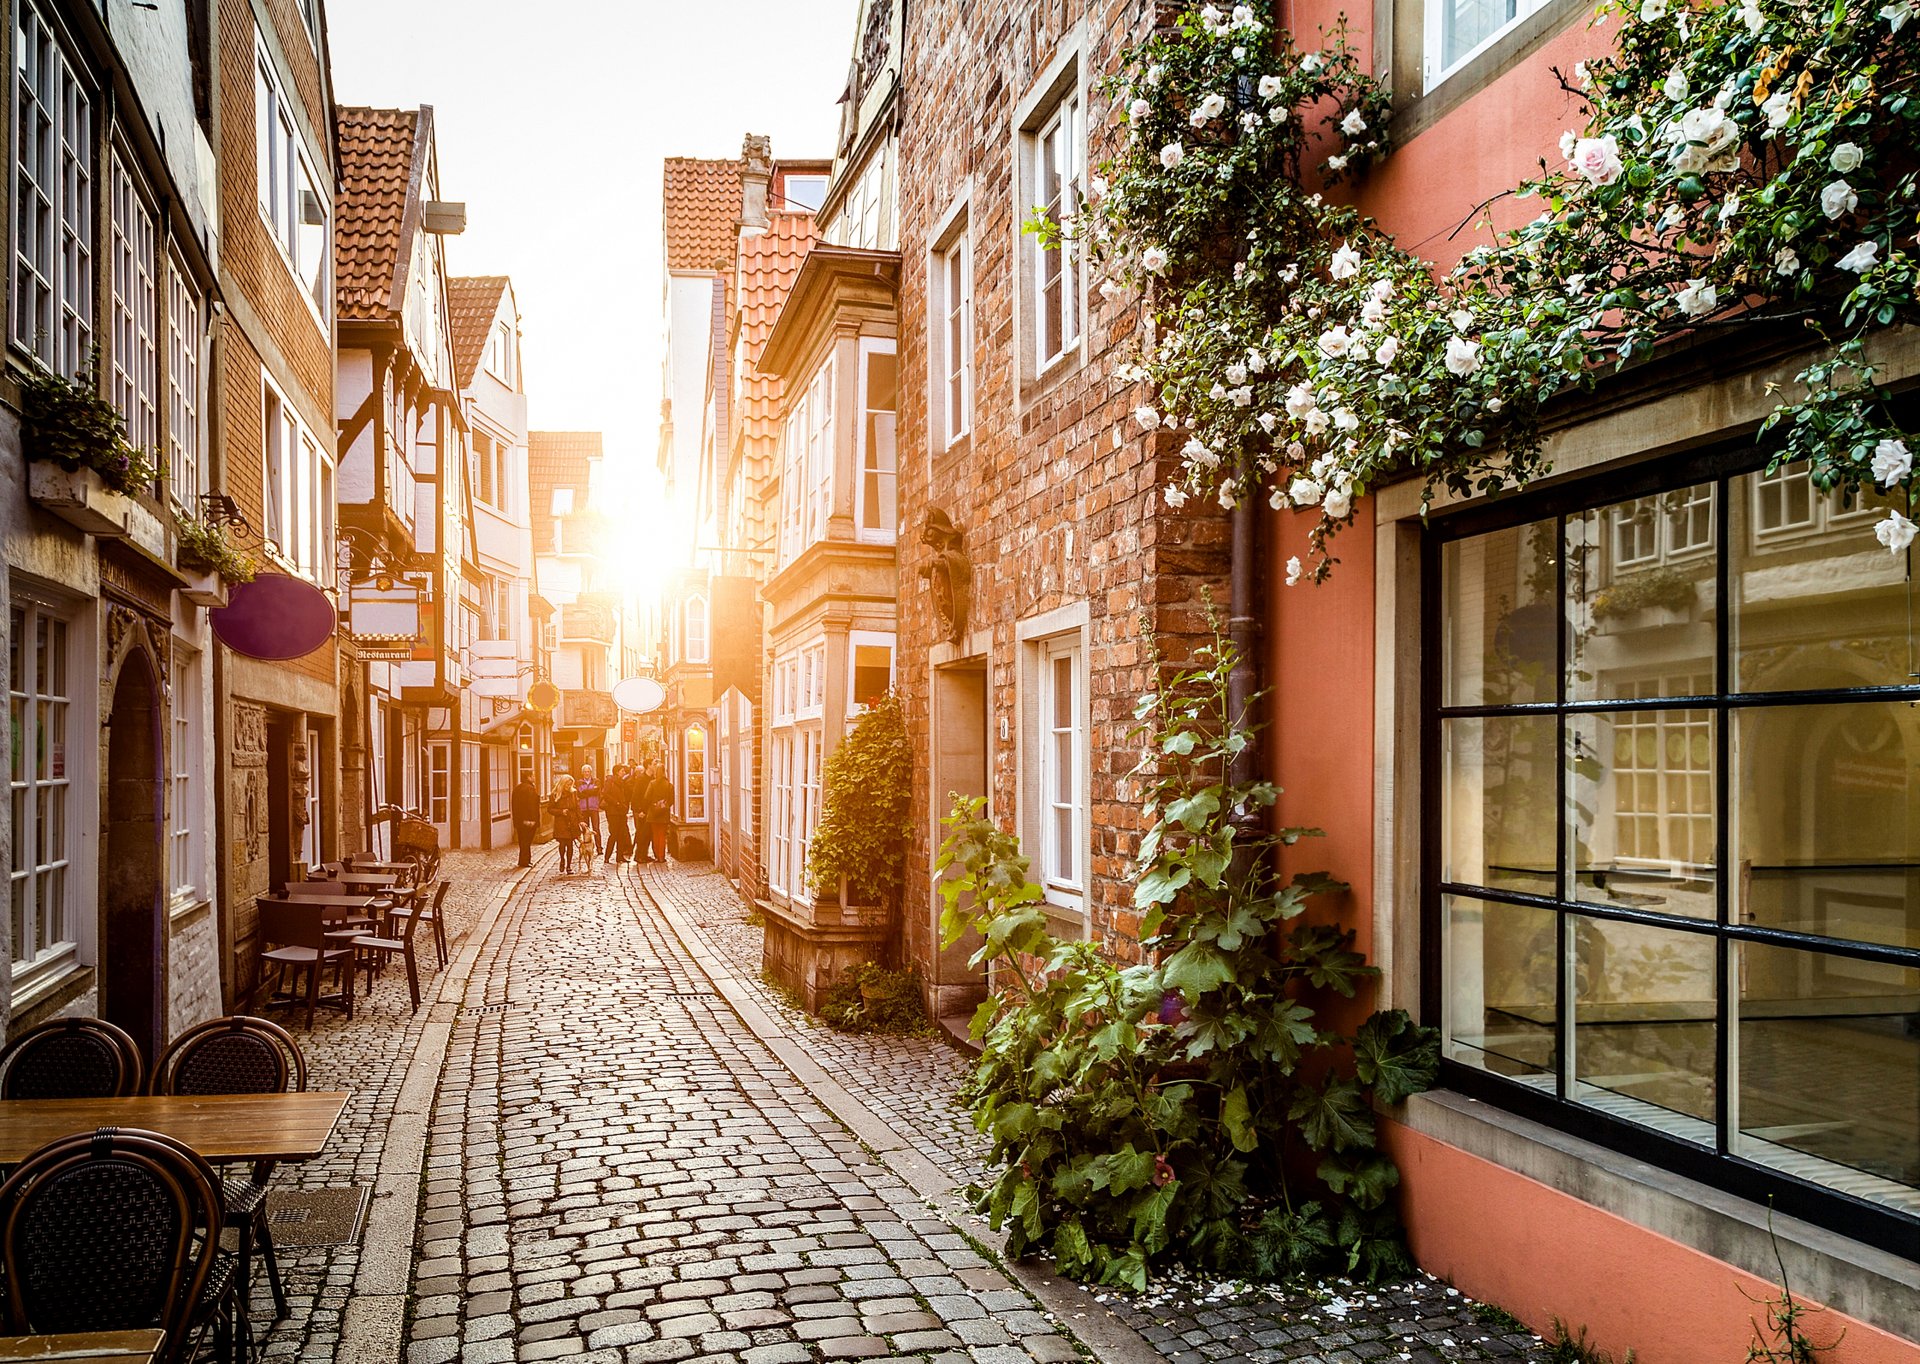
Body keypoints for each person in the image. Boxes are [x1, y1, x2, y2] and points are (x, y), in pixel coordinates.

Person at [641, 763, 675, 866]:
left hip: (653, 813)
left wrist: (652, 805)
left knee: (656, 835)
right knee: (662, 835)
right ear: (664, 772)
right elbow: (671, 800)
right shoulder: (669, 785)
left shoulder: (652, 783)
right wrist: (664, 805)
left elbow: (646, 797)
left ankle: (657, 856)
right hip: (664, 813)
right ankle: (662, 857)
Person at [548, 774, 582, 874]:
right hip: (561, 822)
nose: (569, 787)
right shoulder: (554, 794)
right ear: (563, 784)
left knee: (570, 844)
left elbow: (577, 808)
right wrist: (561, 812)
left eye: (570, 785)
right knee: (562, 844)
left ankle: (569, 866)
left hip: (572, 821)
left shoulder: (573, 793)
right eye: (567, 785)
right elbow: (550, 809)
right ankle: (562, 859)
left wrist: (581, 820)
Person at [602, 763, 633, 866]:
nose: (624, 772)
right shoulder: (610, 781)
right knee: (613, 834)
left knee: (621, 835)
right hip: (612, 812)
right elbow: (605, 795)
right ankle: (607, 857)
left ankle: (619, 857)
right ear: (617, 772)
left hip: (621, 811)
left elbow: (625, 795)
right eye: (622, 771)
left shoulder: (622, 782)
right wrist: (617, 803)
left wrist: (624, 805)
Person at [511, 775, 540, 868]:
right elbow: (531, 806)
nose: (535, 778)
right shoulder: (530, 789)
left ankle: (523, 860)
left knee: (522, 840)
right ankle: (525, 861)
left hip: (519, 820)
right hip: (529, 820)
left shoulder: (517, 789)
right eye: (533, 776)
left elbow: (514, 806)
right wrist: (532, 819)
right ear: (529, 777)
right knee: (527, 841)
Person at [576, 765, 602, 860]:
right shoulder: (579, 782)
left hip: (593, 807)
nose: (587, 773)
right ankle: (584, 848)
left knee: (596, 828)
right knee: (584, 830)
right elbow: (580, 793)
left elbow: (596, 791)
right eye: (585, 772)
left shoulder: (596, 781)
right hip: (583, 808)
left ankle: (599, 848)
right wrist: (591, 791)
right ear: (582, 773)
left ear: (591, 772)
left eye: (588, 771)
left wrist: (586, 792)